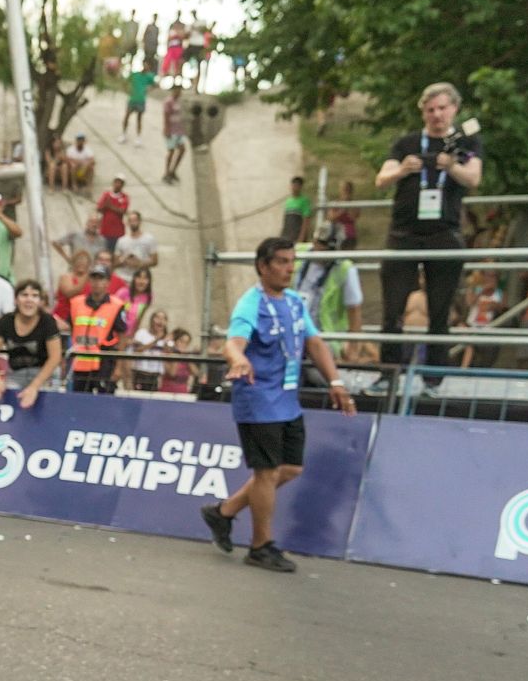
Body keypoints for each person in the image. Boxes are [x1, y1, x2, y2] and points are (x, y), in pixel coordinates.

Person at [201, 237, 356, 573]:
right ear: (263, 266)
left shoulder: (295, 303)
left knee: (291, 469)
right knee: (267, 473)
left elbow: (314, 342)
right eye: (282, 262)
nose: (290, 268)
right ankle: (260, 547)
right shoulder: (249, 304)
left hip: (287, 400)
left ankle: (223, 512)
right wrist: (239, 359)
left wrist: (336, 382)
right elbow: (233, 343)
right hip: (257, 400)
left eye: (292, 261)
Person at [370, 81, 483, 394]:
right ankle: (387, 375)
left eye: (442, 108)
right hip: (404, 233)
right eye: (430, 110)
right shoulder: (407, 142)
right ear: (423, 112)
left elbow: (474, 178)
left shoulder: (465, 142)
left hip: (444, 233)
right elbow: (381, 179)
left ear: (454, 109)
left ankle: (433, 380)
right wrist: (403, 170)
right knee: (392, 310)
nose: (436, 115)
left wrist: (453, 167)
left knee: (440, 310)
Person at [293, 224, 366, 363]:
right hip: (293, 328)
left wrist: (353, 348)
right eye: (322, 244)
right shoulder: (297, 253)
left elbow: (354, 310)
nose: (325, 250)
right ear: (314, 241)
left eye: (331, 248)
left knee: (316, 367)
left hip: (324, 335)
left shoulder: (345, 268)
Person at [0, 280, 62, 408]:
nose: (29, 300)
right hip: (16, 374)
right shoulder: (6, 321)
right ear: (16, 300)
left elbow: (55, 356)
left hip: (45, 375)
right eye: (24, 295)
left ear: (40, 301)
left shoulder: (48, 321)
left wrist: (34, 387)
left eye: (34, 296)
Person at [68, 265, 129, 394]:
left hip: (104, 363)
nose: (97, 282)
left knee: (104, 403)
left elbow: (123, 336)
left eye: (101, 279)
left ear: (107, 282)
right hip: (80, 363)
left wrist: (118, 367)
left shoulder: (116, 305)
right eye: (94, 278)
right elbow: (69, 328)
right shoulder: (76, 303)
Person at [128, 309, 170, 391]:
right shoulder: (142, 333)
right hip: (140, 373)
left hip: (155, 375)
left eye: (163, 319)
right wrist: (156, 341)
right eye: (157, 317)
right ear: (152, 320)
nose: (160, 321)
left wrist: (166, 342)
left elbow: (168, 355)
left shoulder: (167, 338)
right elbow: (137, 350)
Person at [113, 211, 159, 281]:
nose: (133, 223)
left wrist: (140, 263)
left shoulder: (149, 239)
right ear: (127, 223)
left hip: (140, 279)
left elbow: (155, 261)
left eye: (135, 220)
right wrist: (125, 260)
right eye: (130, 220)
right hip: (123, 278)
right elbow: (115, 262)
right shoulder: (121, 240)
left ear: (140, 221)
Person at [118, 61, 156, 146]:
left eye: (148, 65)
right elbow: (125, 82)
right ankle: (123, 134)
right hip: (132, 99)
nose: (146, 67)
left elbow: (155, 85)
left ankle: (138, 137)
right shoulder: (135, 74)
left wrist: (147, 90)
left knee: (139, 119)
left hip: (141, 100)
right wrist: (127, 90)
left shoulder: (149, 77)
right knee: (126, 117)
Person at [96, 175, 129, 254]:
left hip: (117, 231)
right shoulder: (106, 194)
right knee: (103, 252)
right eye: (116, 182)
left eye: (120, 183)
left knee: (114, 253)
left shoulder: (125, 197)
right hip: (105, 230)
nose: (118, 184)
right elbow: (99, 208)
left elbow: (123, 211)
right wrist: (106, 206)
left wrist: (110, 206)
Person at [162, 84, 188, 184]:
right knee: (171, 152)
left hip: (178, 130)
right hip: (171, 130)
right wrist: (166, 129)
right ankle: (167, 172)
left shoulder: (179, 101)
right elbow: (166, 115)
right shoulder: (169, 101)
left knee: (182, 150)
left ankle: (173, 171)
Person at [280, 176, 312, 244]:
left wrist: (301, 237)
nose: (294, 187)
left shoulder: (304, 201)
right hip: (287, 235)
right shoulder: (288, 200)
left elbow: (306, 220)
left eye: (297, 185)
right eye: (293, 185)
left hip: (297, 234)